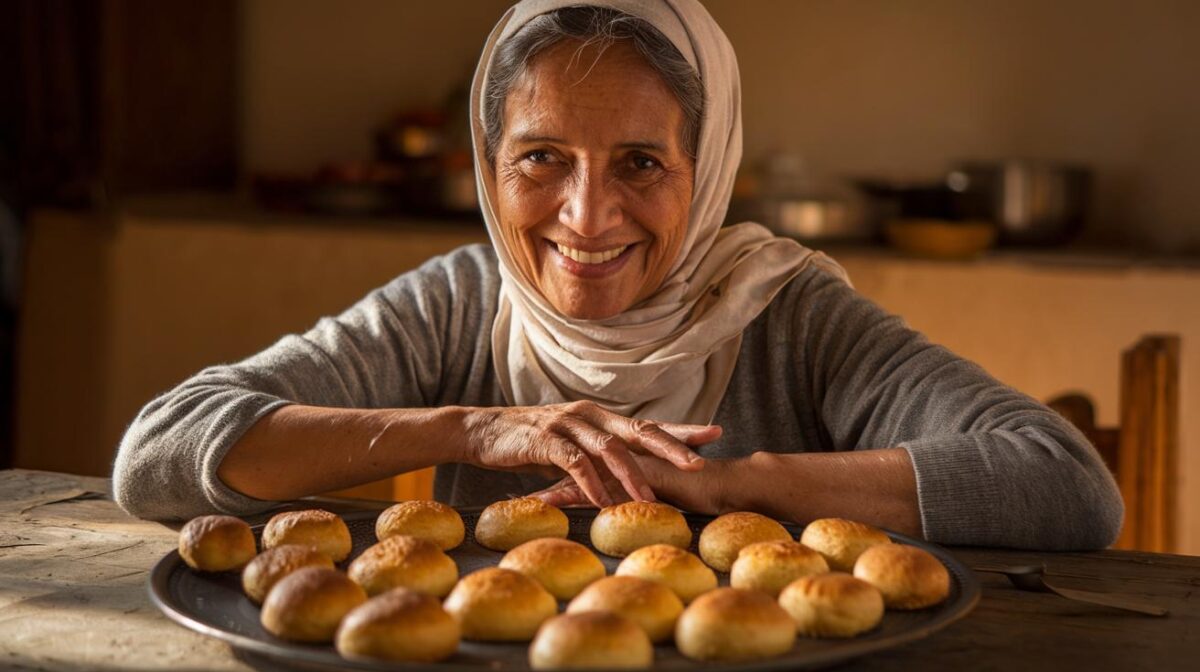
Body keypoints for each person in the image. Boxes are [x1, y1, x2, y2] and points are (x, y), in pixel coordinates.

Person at [112, 0, 1122, 550]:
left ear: (709, 166)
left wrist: (734, 483)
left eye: (641, 163)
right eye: (542, 157)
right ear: (489, 162)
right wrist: (480, 426)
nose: (585, 220)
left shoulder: (788, 316)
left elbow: (1067, 485)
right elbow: (157, 452)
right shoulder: (463, 302)